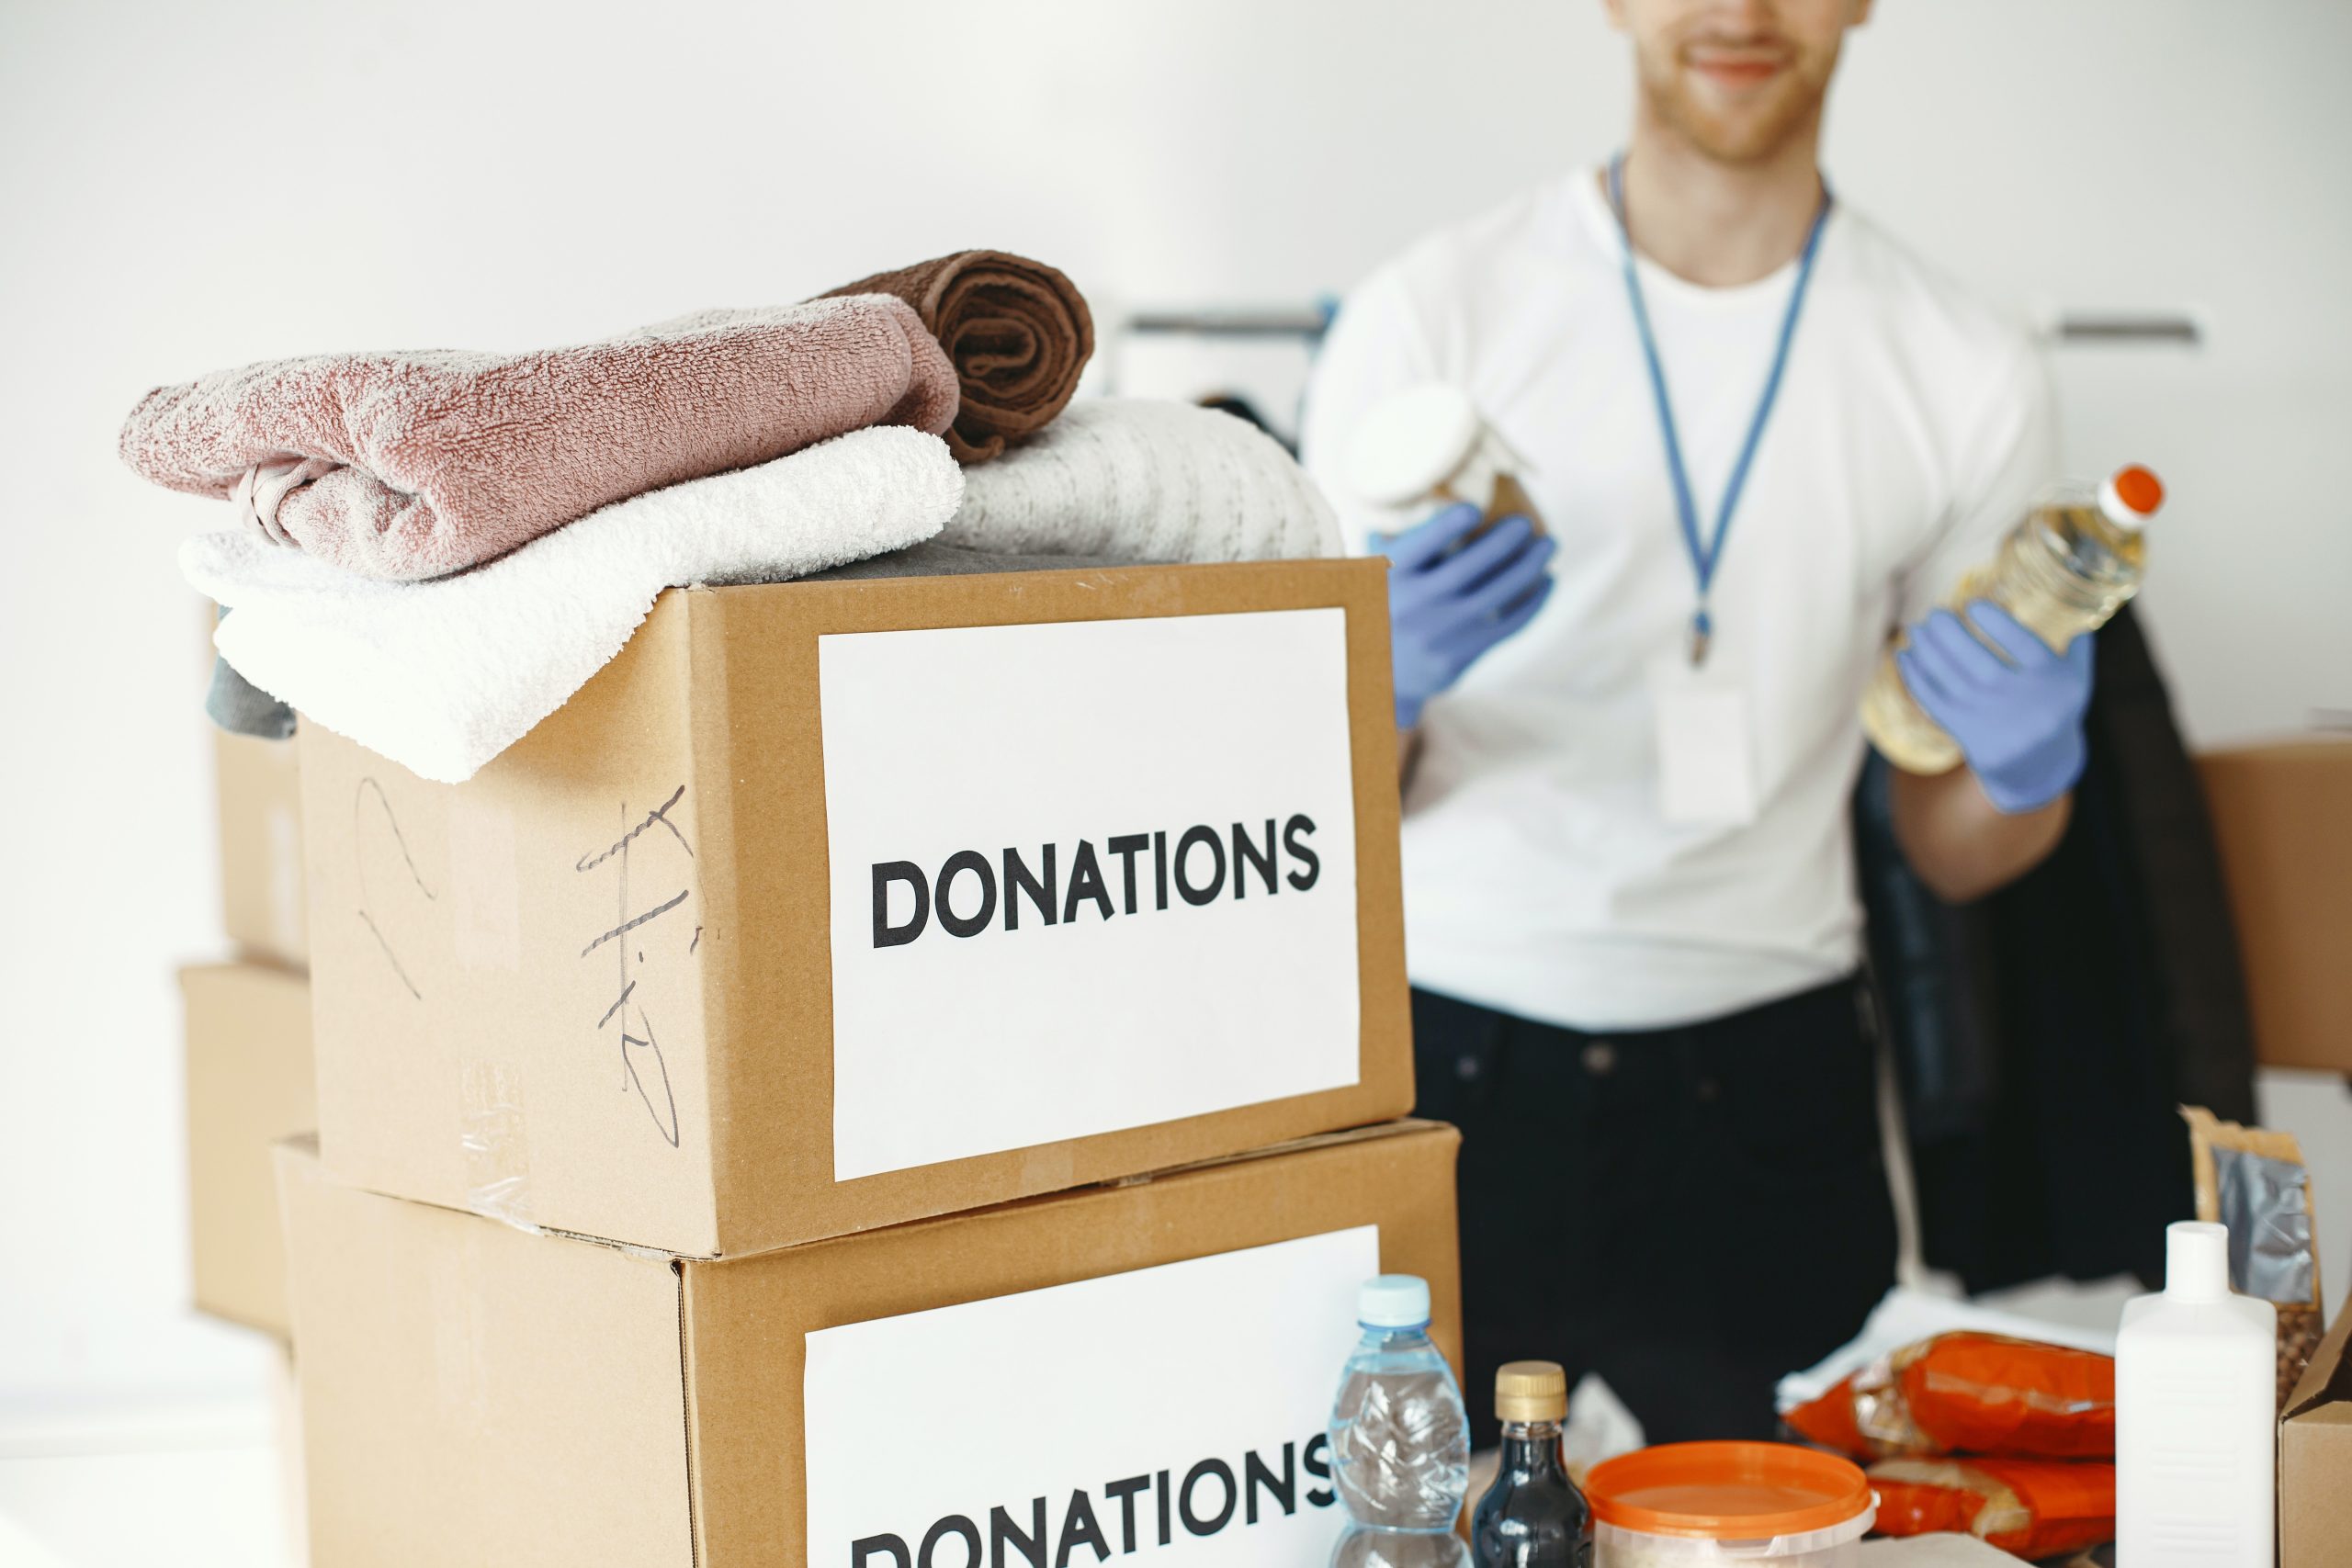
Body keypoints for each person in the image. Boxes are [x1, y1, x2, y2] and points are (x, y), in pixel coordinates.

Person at [1300, 0, 2092, 1445]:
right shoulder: (1433, 316)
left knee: (1803, 1539)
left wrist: (2026, 768)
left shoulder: (1963, 367)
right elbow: (1304, 820)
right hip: (1446, 1069)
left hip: (1769, 1085)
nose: (1738, 13)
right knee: (1398, 1540)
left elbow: (1956, 850)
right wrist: (1380, 693)